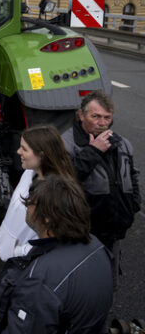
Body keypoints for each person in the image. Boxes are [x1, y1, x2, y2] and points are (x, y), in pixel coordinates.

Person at [0, 175, 113, 333]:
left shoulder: (39, 281)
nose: (26, 205)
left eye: (31, 202)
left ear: (47, 218)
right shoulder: (96, 246)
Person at [61, 90, 140, 290]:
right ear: (81, 115)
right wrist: (93, 151)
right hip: (82, 232)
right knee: (80, 286)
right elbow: (62, 182)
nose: (102, 122)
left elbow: (132, 175)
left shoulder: (122, 143)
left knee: (107, 285)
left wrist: (133, 205)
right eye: (95, 116)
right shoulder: (66, 143)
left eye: (107, 117)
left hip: (113, 229)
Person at [0, 125, 76, 261]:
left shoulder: (56, 193)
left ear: (41, 155)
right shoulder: (29, 172)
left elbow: (56, 238)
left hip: (24, 261)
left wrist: (19, 252)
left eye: (24, 149)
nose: (18, 152)